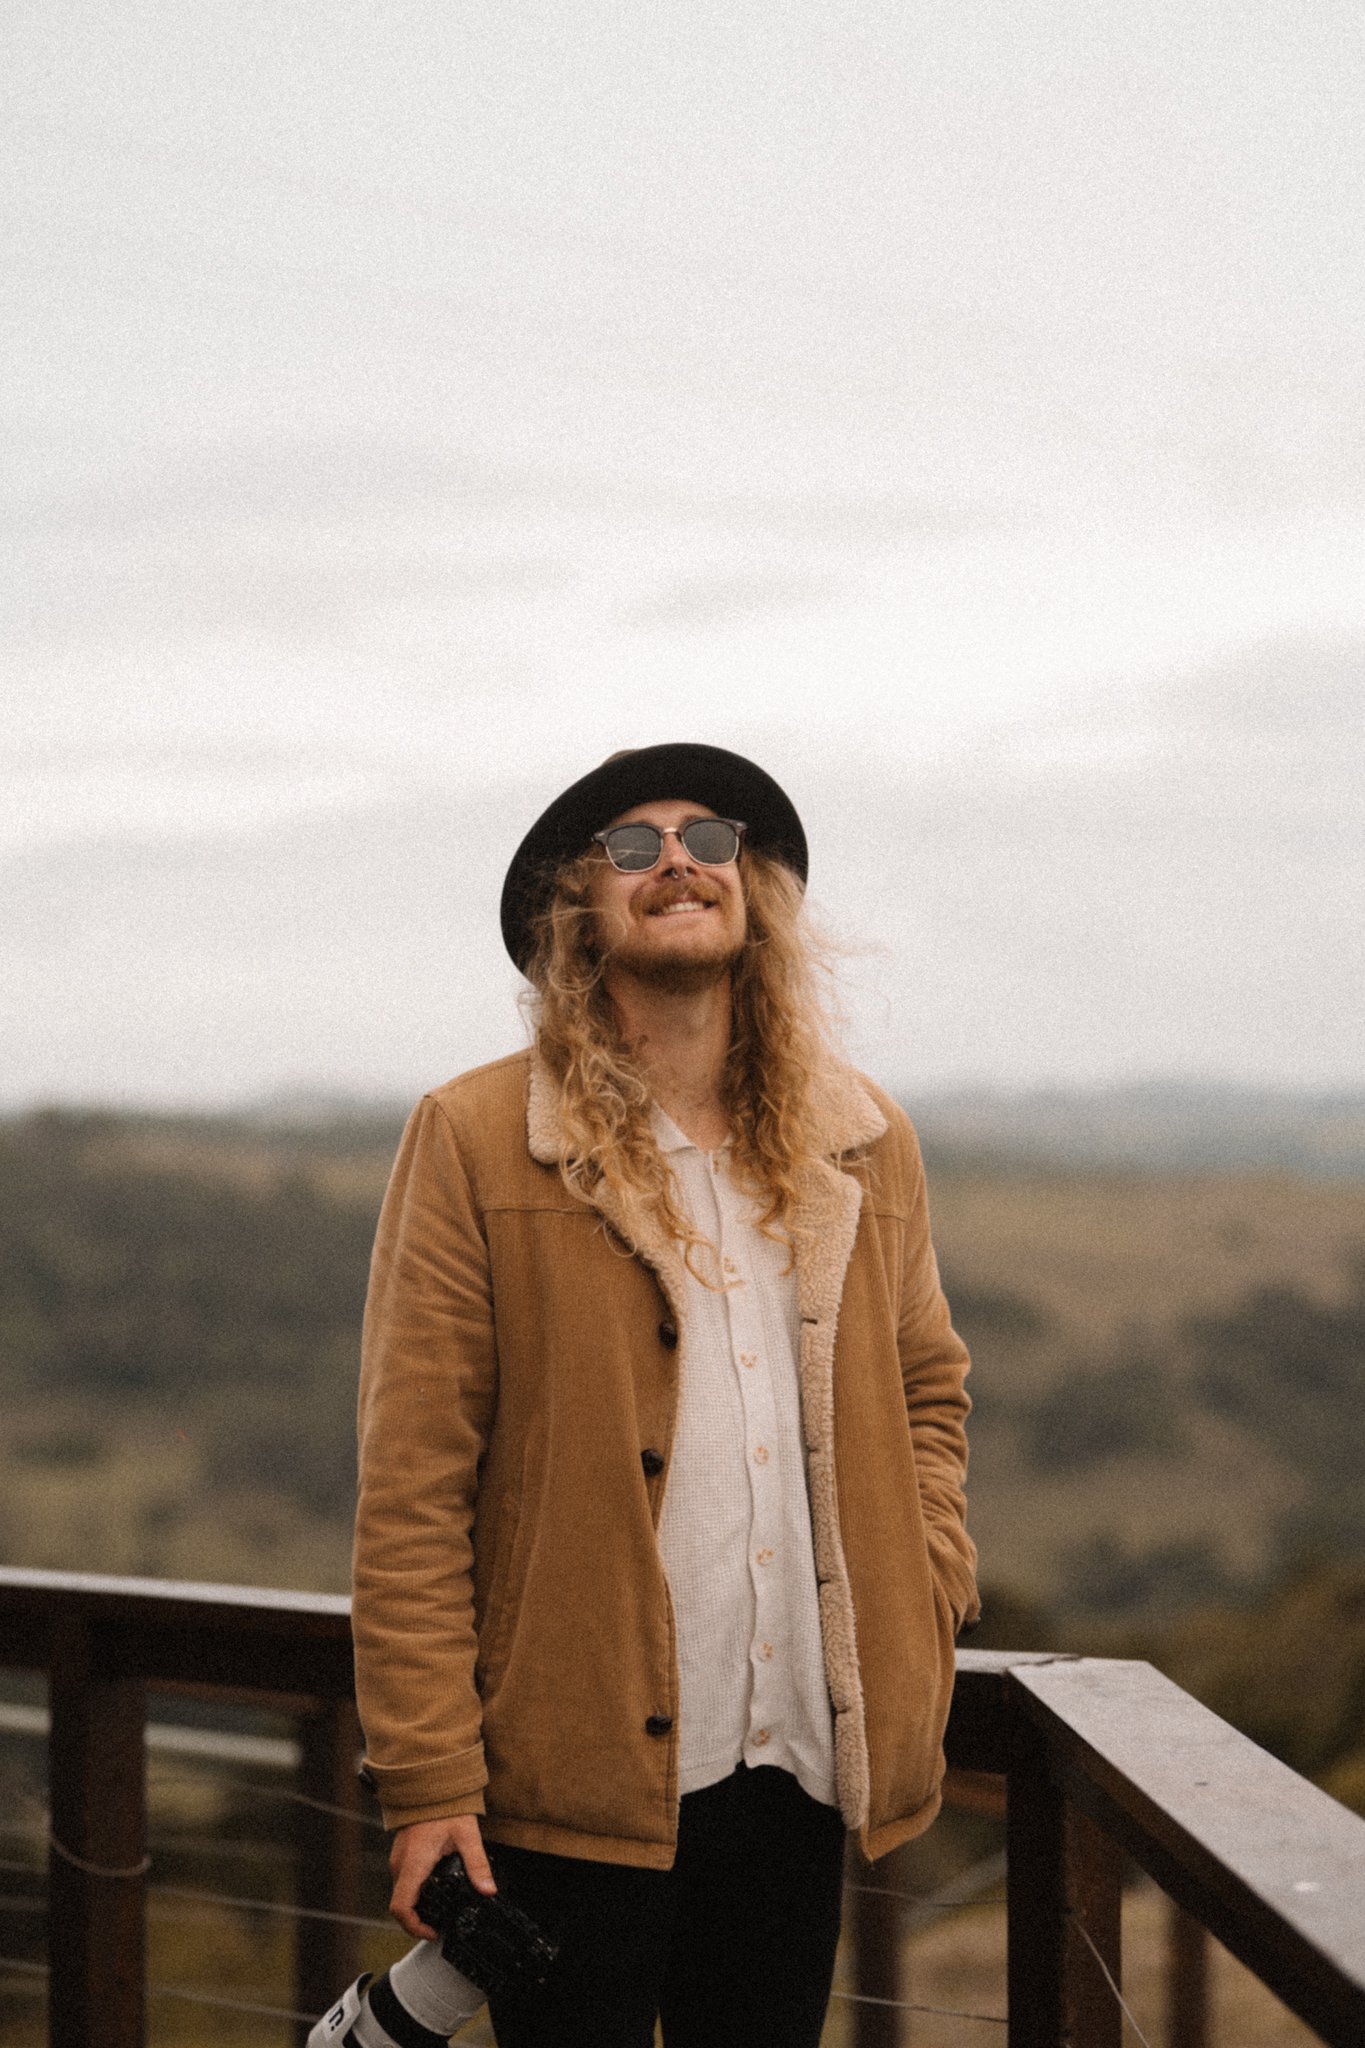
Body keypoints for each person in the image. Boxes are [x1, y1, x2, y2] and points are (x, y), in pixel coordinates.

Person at [321, 742, 978, 2048]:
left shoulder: (861, 1136)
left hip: (795, 1768)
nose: (676, 858)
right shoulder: (472, 1135)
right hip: (568, 1774)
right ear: (577, 911)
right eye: (630, 847)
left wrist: (924, 1582)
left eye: (710, 838)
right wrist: (429, 1779)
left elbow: (927, 1391)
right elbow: (412, 1484)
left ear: (757, 894)